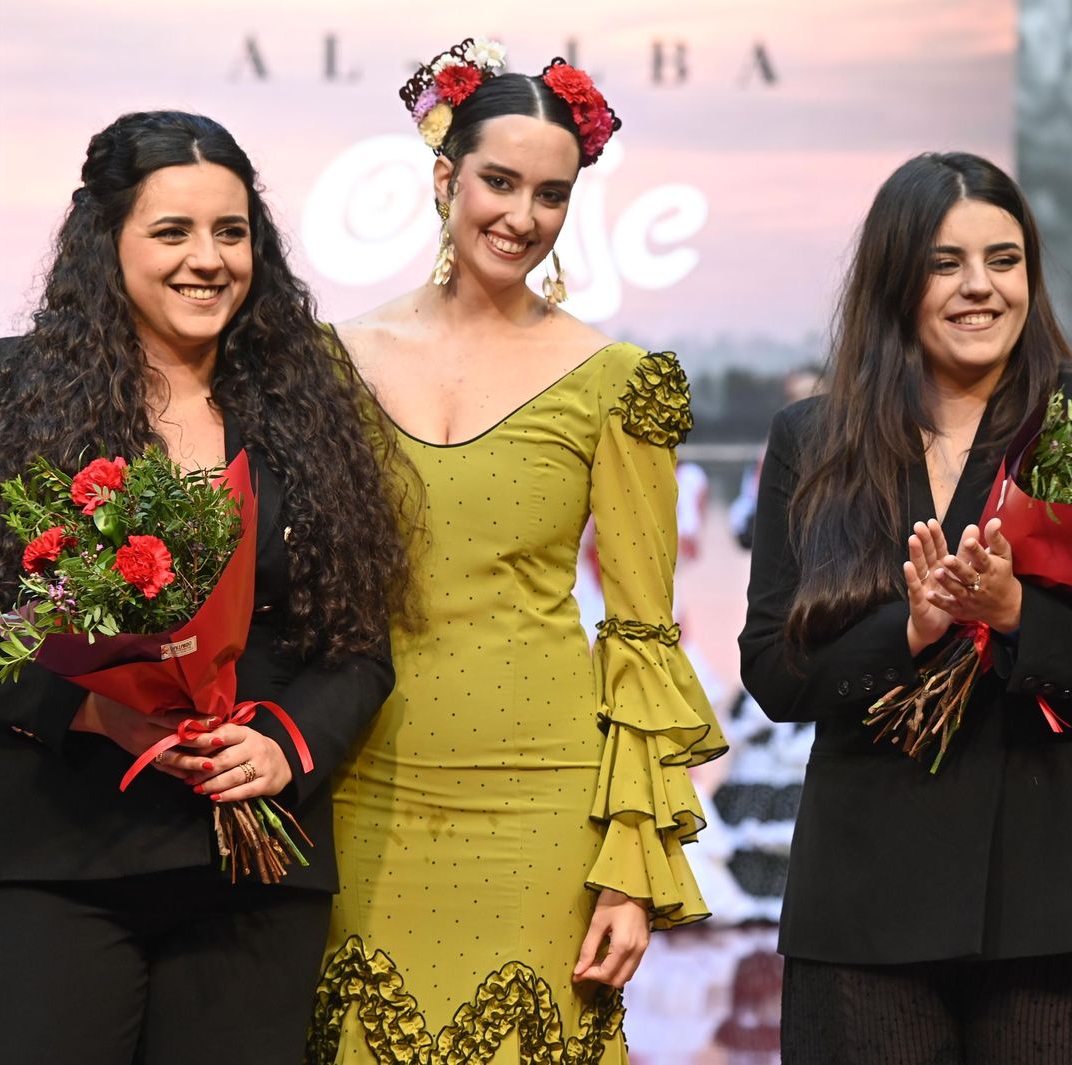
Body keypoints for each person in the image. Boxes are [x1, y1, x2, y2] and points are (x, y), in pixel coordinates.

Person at [0, 111, 409, 1065]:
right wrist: (96, 714)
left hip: (255, 873)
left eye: (231, 231)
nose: (206, 259)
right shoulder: (18, 387)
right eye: (172, 232)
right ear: (109, 241)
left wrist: (282, 749)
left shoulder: (305, 402)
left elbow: (358, 650)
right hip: (57, 857)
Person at [308, 38, 725, 1063]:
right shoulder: (330, 363)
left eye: (551, 194)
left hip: (543, 798)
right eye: (499, 181)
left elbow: (639, 629)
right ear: (444, 176)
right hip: (368, 787)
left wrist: (631, 867)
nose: (521, 216)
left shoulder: (614, 380)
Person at [739, 152, 1072, 1064]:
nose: (980, 287)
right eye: (946, 263)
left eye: (1005, 258)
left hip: (1066, 905)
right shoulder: (814, 439)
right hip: (865, 911)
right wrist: (909, 631)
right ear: (895, 278)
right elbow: (774, 671)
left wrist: (1018, 610)